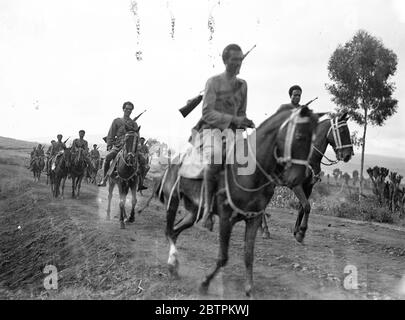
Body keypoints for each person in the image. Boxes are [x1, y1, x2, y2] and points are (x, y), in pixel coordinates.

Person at [190, 43, 255, 230]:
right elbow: (207, 113)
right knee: (215, 157)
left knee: (252, 160)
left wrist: (244, 122)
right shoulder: (213, 82)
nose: (238, 63)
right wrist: (234, 119)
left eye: (240, 59)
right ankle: (208, 211)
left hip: (232, 133)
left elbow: (241, 113)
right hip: (210, 131)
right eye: (235, 59)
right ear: (225, 60)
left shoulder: (243, 85)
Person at [98, 101, 139, 186]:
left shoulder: (134, 124)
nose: (128, 110)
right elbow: (111, 134)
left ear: (132, 111)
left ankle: (139, 183)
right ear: (123, 109)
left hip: (130, 147)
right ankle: (104, 179)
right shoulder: (117, 121)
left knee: (142, 162)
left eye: (130, 109)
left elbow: (137, 137)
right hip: (118, 146)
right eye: (126, 108)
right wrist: (110, 146)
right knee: (108, 157)